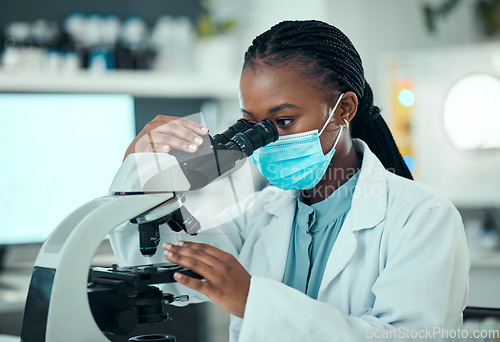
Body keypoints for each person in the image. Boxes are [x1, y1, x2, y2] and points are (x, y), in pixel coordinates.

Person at [109, 20, 469, 341]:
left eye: (282, 122)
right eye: (251, 125)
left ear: (343, 110)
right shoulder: (259, 212)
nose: (264, 139)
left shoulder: (423, 217)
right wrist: (138, 169)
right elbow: (159, 263)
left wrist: (254, 300)